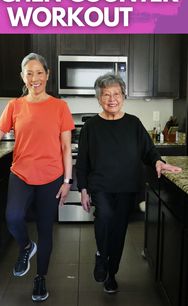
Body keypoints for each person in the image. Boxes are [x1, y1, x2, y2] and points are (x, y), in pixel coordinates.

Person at [0, 53, 75, 302]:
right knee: (13, 218)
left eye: (39, 72)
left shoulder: (60, 107)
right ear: (23, 77)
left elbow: (66, 148)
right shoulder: (14, 105)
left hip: (51, 177)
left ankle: (40, 278)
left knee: (46, 230)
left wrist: (67, 181)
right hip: (21, 174)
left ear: (47, 74)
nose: (34, 78)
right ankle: (25, 246)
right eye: (29, 73)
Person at [76, 73, 182, 294]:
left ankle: (111, 274)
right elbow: (83, 162)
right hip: (100, 186)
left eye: (116, 94)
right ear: (99, 98)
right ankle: (101, 255)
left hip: (126, 186)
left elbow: (149, 152)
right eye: (106, 95)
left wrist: (159, 163)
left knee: (119, 230)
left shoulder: (133, 123)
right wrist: (83, 190)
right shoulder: (91, 127)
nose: (112, 99)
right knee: (104, 216)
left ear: (123, 96)